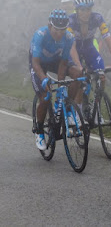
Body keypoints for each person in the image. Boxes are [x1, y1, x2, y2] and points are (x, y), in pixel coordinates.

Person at [29, 9, 82, 150]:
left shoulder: (69, 38)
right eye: (56, 30)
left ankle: (68, 108)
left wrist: (61, 85)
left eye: (62, 30)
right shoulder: (40, 35)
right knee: (45, 97)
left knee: (77, 73)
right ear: (49, 25)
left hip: (55, 61)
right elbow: (35, 63)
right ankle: (39, 131)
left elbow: (63, 63)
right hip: (38, 63)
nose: (59, 34)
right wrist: (44, 79)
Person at [67, 0, 111, 81]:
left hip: (89, 48)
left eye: (88, 9)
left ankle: (100, 93)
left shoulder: (97, 18)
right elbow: (71, 47)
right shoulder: (71, 20)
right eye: (82, 10)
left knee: (102, 76)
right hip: (74, 49)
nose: (86, 13)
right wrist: (79, 66)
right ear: (76, 10)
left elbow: (108, 40)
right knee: (78, 75)